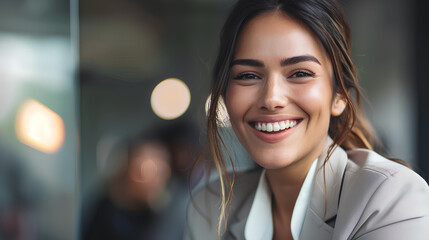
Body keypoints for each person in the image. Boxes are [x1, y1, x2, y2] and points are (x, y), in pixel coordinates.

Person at [185, 0, 429, 239]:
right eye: (248, 75)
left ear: (339, 96)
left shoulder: (388, 198)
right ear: (225, 95)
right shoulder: (211, 206)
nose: (271, 99)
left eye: (300, 73)